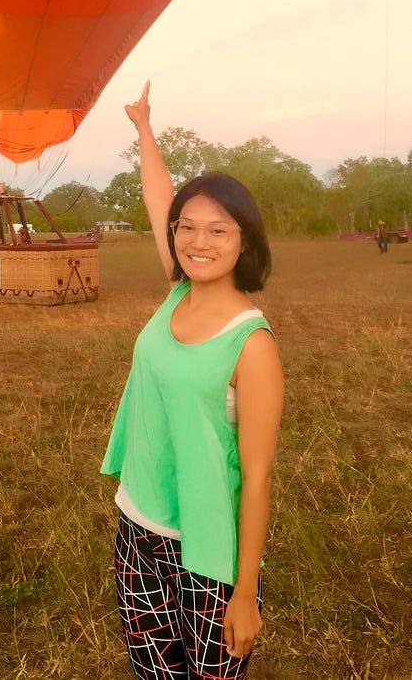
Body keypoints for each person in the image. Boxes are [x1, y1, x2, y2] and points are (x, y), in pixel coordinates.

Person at [101, 82, 284, 679]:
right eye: (188, 228)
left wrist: (246, 593)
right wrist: (144, 127)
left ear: (244, 241)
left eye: (219, 231)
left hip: (207, 552)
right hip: (138, 527)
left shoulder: (251, 343)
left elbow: (256, 478)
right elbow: (161, 198)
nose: (198, 242)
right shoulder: (176, 291)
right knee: (152, 671)